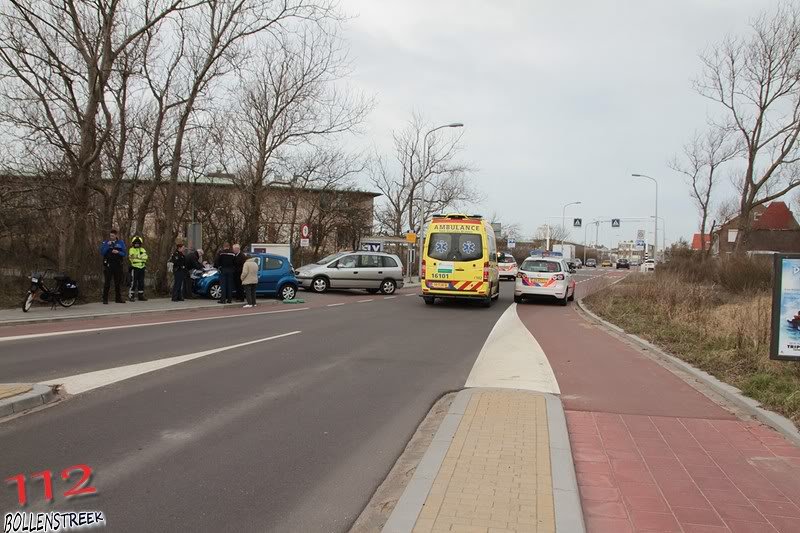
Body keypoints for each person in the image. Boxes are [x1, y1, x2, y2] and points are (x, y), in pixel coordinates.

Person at [100, 229, 127, 304]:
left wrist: (118, 252)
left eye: (112, 236)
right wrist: (107, 246)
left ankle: (118, 298)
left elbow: (124, 254)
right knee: (107, 282)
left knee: (117, 282)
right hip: (109, 265)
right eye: (110, 235)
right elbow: (102, 252)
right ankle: (105, 299)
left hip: (118, 265)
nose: (111, 237)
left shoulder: (121, 243)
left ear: (116, 235)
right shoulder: (106, 242)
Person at [128, 236, 148, 301]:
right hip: (134, 268)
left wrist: (137, 257)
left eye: (138, 243)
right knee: (133, 282)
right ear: (133, 243)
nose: (137, 244)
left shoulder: (143, 249)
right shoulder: (131, 249)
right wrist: (141, 257)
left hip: (142, 268)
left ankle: (141, 296)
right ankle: (131, 296)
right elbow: (132, 259)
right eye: (135, 243)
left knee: (141, 282)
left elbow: (145, 257)